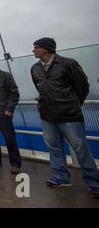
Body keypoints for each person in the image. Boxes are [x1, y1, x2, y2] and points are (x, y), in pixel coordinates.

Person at [31, 37, 99, 198]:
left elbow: (83, 86)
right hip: (47, 115)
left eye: (36, 47)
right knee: (54, 147)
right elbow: (39, 87)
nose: (33, 50)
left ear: (46, 49)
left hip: (70, 115)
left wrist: (73, 103)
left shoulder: (68, 64)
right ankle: (61, 177)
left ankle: (94, 183)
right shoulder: (35, 68)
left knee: (80, 148)